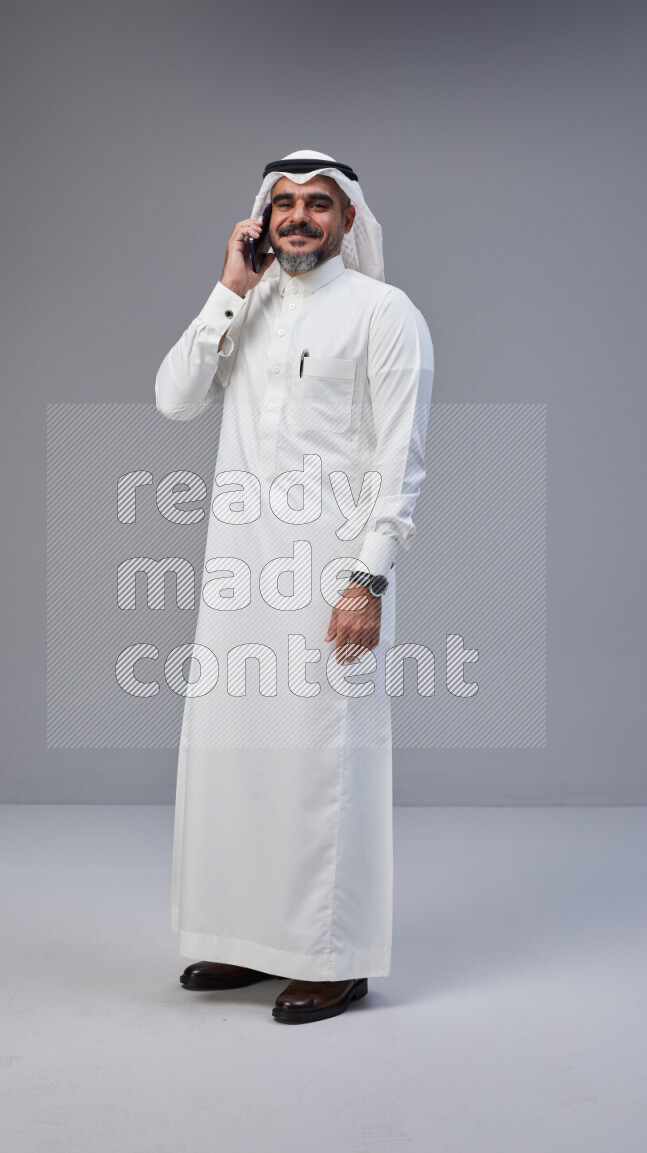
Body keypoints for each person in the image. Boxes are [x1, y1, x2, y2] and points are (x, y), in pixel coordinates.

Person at [154, 150, 434, 1024]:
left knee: (324, 763)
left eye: (319, 205)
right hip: (238, 573)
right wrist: (229, 286)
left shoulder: (385, 314)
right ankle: (247, 939)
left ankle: (333, 955)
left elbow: (401, 461)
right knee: (235, 758)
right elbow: (174, 398)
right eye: (284, 206)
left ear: (350, 221)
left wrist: (368, 579)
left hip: (326, 575)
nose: (300, 220)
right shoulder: (249, 303)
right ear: (262, 220)